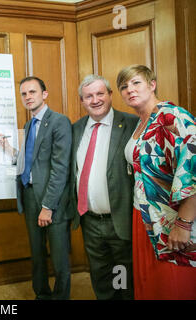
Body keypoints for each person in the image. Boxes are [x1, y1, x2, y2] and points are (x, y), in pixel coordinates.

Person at [117, 64, 196, 299]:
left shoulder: (174, 116)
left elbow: (193, 171)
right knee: (150, 286)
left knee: (172, 285)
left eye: (136, 83)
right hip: (144, 216)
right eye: (124, 86)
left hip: (174, 220)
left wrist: (183, 224)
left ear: (152, 85)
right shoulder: (140, 122)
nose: (130, 89)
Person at [0, 76, 72, 300]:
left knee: (59, 258)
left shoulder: (59, 122)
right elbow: (31, 160)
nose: (28, 97)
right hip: (29, 195)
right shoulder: (29, 124)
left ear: (44, 94)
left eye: (32, 92)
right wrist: (9, 149)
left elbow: (60, 168)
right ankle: (42, 295)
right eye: (24, 94)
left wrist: (48, 206)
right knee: (37, 254)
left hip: (53, 199)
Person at [69, 75, 138, 299]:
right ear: (82, 101)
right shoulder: (76, 129)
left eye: (100, 94)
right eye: (89, 96)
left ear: (110, 95)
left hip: (120, 219)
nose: (95, 100)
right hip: (89, 221)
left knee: (124, 278)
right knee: (100, 277)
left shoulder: (131, 123)